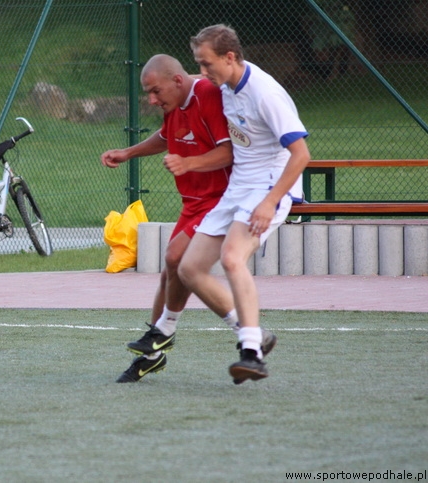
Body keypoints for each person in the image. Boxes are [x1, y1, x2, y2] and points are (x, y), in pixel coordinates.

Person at [100, 54, 276, 383]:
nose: (152, 100)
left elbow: (229, 152)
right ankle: (153, 354)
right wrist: (128, 152)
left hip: (220, 199)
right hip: (192, 202)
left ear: (177, 81)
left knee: (177, 259)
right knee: (170, 271)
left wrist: (188, 163)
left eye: (155, 91)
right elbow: (167, 137)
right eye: (148, 93)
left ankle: (247, 333)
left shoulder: (207, 95)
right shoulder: (174, 103)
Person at [180, 24, 311, 384]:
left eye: (206, 63)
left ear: (230, 57)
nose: (202, 72)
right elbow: (190, 80)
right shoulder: (224, 83)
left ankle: (251, 355)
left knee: (232, 258)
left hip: (269, 187)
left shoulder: (265, 93)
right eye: (199, 64)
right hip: (238, 188)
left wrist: (270, 202)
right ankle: (254, 333)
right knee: (190, 269)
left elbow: (301, 155)